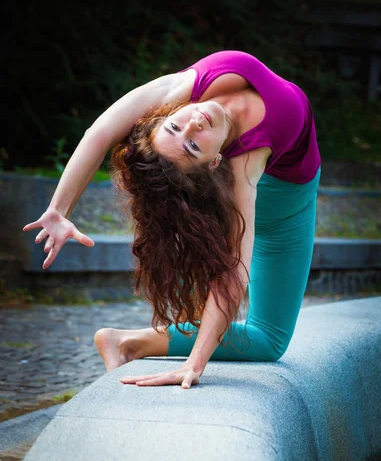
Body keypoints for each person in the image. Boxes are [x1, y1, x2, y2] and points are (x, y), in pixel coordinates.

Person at [23, 50, 321, 390]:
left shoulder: (188, 89)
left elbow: (102, 131)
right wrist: (194, 365)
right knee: (268, 340)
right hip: (285, 208)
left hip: (281, 184)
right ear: (214, 164)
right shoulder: (246, 165)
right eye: (193, 145)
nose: (193, 123)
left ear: (166, 116)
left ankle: (125, 342)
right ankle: (130, 342)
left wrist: (59, 209)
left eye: (175, 126)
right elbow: (234, 270)